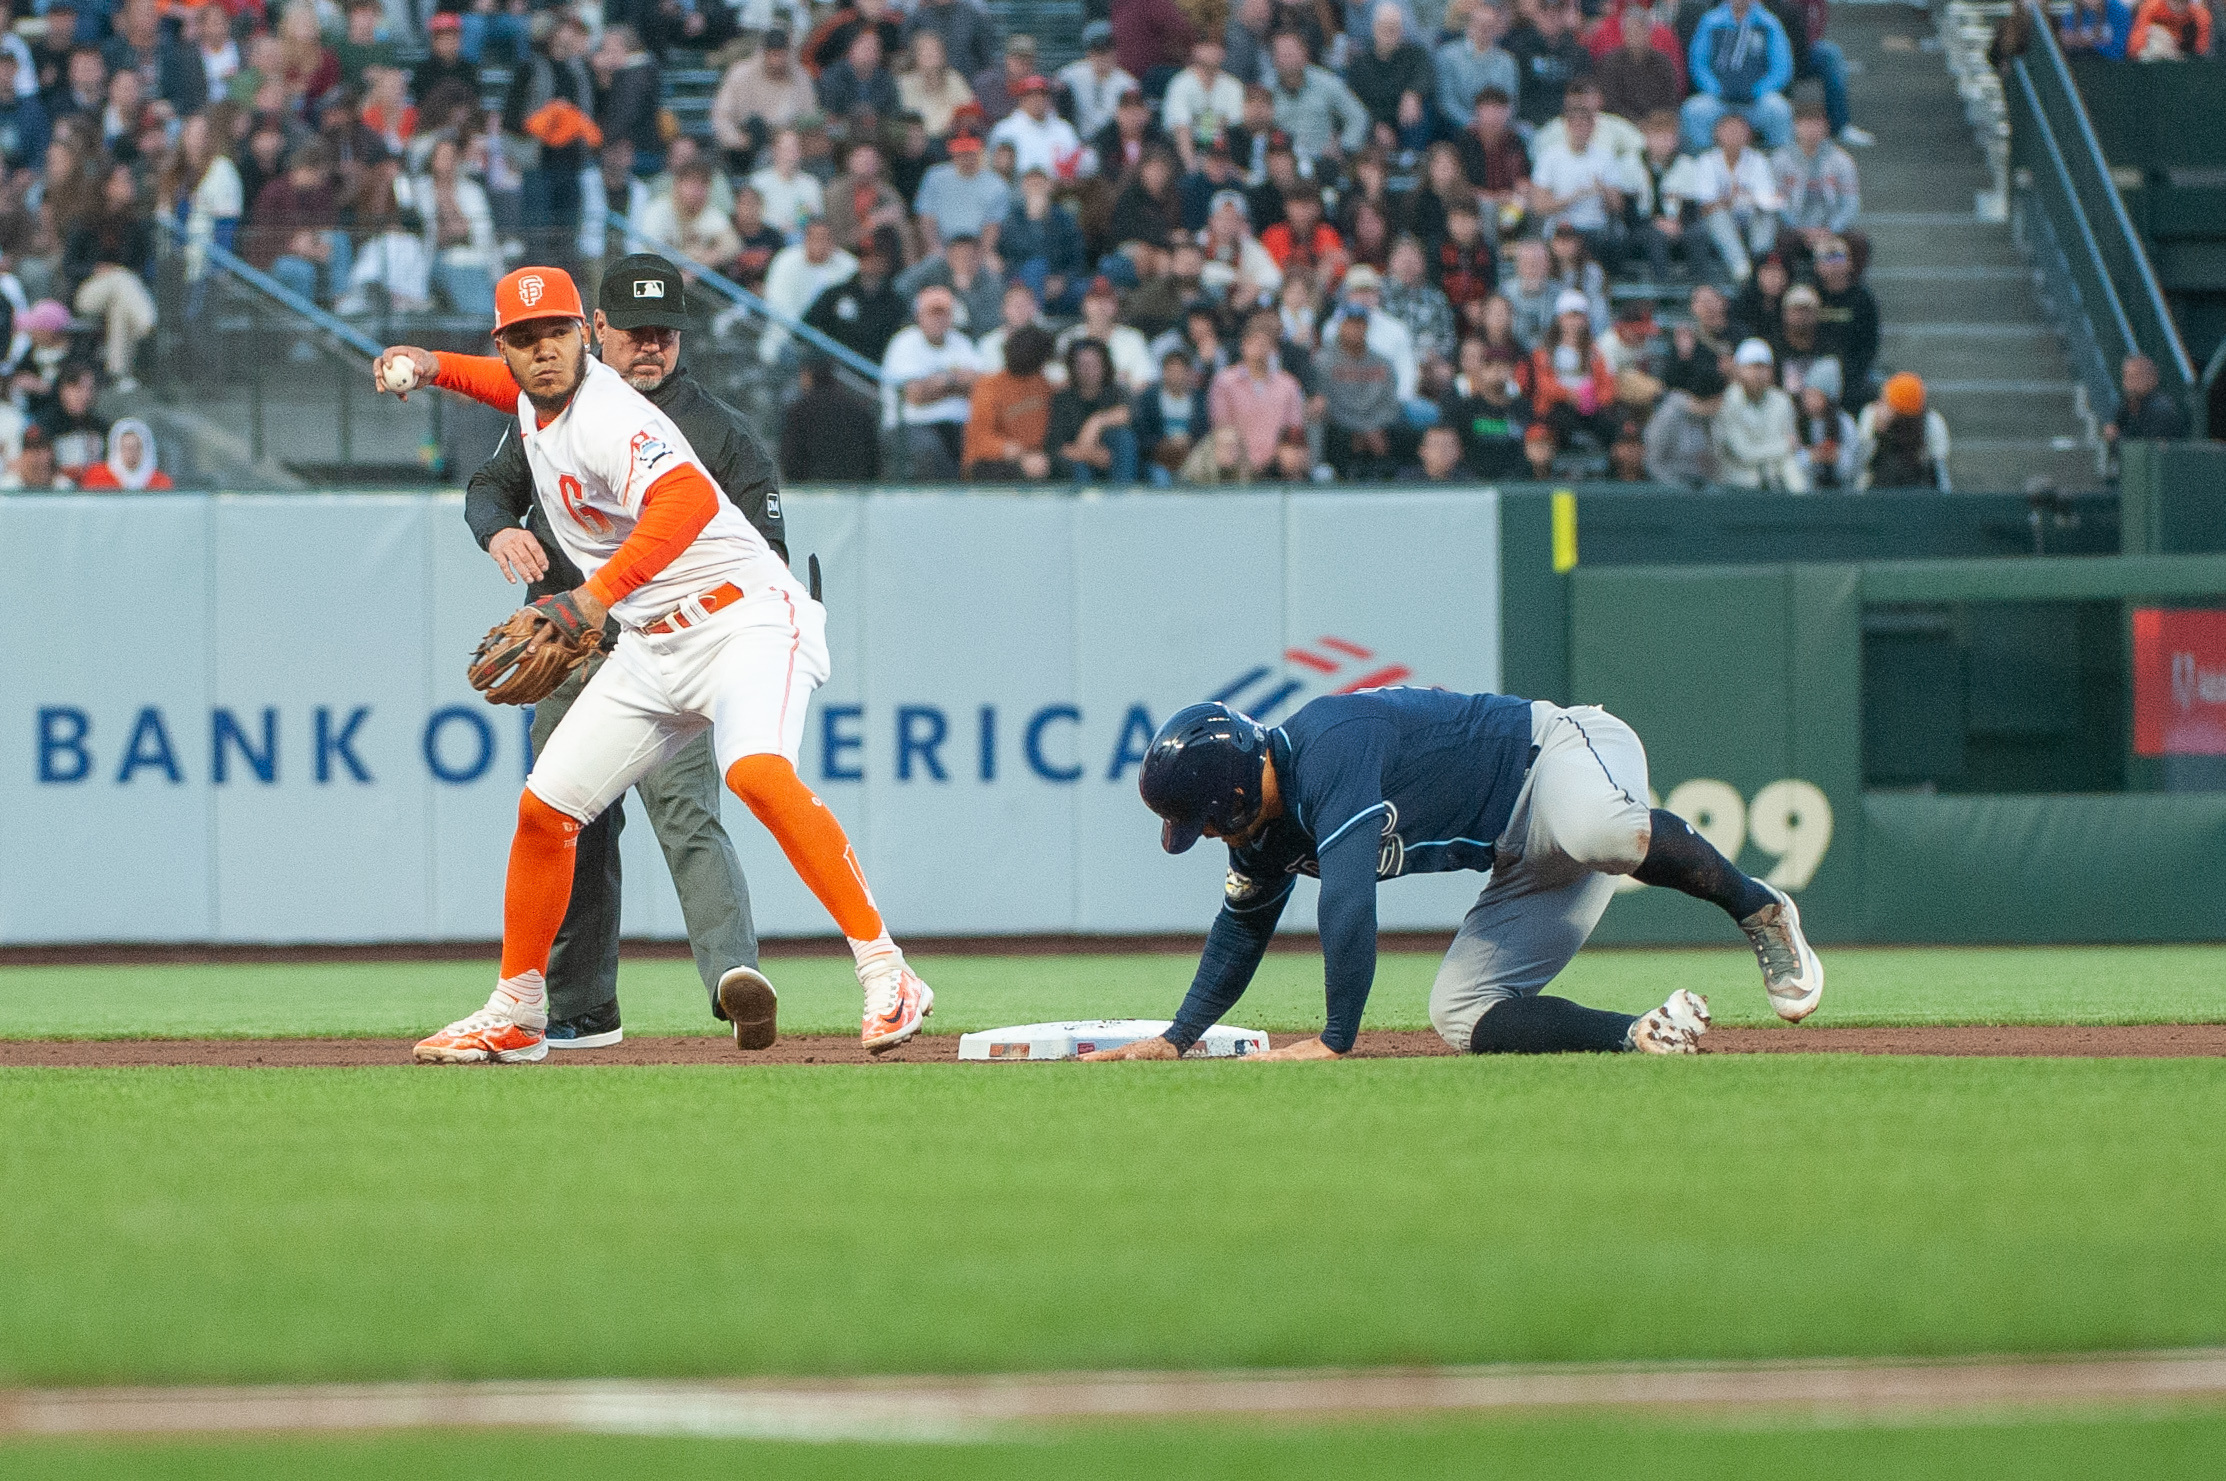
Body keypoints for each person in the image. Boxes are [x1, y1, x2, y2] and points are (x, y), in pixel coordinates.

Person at [378, 266, 934, 1064]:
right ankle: (518, 1008)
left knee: (755, 772)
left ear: (584, 336)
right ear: (507, 346)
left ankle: (888, 970)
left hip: (746, 618)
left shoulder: (610, 414)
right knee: (546, 810)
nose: (542, 353)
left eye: (556, 334)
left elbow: (688, 503)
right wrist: (434, 366)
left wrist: (591, 597)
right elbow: (510, 392)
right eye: (523, 340)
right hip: (654, 643)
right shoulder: (542, 401)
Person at [435, 256, 789, 1048]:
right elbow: (489, 486)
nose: (651, 347)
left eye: (665, 333)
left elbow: (764, 549)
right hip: (567, 648)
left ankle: (735, 979)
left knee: (688, 812)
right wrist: (499, 529)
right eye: (635, 333)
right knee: (568, 824)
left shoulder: (719, 433)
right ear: (599, 331)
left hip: (668, 648)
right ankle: (580, 1007)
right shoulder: (547, 407)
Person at [1084, 694, 1822, 1062]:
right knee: (1462, 1012)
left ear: (1234, 794)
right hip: (1519, 854)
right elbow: (1240, 929)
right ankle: (1640, 1036)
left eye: (1205, 820)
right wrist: (1178, 1038)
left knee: (1603, 831)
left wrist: (1336, 1039)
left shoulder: (1327, 745)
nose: (1209, 835)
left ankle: (1759, 907)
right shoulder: (1260, 829)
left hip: (1559, 754)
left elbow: (1348, 897)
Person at [883, 284, 983, 476]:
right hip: (911, 425)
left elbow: (979, 388)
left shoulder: (961, 342)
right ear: (919, 316)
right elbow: (915, 395)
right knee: (929, 451)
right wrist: (956, 382)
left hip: (958, 424)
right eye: (932, 313)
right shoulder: (905, 342)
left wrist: (940, 383)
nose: (938, 319)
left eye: (944, 313)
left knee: (983, 447)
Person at [1683, 0, 1794, 153]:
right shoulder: (1710, 21)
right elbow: (1698, 64)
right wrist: (1716, 89)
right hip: (1719, 99)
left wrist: (1757, 91)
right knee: (1694, 110)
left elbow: (1781, 69)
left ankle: (1778, 162)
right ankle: (1703, 161)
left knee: (1779, 110)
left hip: (1756, 101)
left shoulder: (1769, 23)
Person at [1691, 110, 1781, 282]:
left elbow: (1767, 198)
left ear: (1748, 134)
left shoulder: (1758, 160)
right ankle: (1741, 268)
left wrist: (1735, 199)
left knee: (1765, 216)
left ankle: (1760, 261)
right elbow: (1706, 203)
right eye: (1729, 130)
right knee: (1717, 216)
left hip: (1750, 214)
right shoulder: (1707, 161)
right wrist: (1736, 198)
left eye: (1739, 130)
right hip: (1719, 218)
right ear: (1718, 133)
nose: (1734, 135)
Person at [1209, 318, 1306, 471]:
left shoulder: (1288, 384)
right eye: (1253, 342)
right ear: (1244, 345)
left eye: (1265, 343)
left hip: (1277, 468)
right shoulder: (1224, 382)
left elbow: (1293, 430)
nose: (1259, 347)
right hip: (1236, 466)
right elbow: (1221, 426)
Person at [962, 322, 1056, 480]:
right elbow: (980, 439)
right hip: (993, 460)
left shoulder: (1042, 384)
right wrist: (1020, 454)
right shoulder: (989, 386)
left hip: (1036, 456)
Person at [712, 29, 815, 169]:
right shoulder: (740, 74)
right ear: (764, 53)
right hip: (746, 146)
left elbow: (809, 118)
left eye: (782, 55)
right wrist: (738, 140)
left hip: (789, 145)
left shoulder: (801, 78)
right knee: (755, 125)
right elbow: (721, 117)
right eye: (773, 54)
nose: (777, 60)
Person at [1714, 337, 1806, 491]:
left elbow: (1793, 449)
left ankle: (1805, 511)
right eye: (1753, 367)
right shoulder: (1729, 402)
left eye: (1764, 367)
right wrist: (1784, 445)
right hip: (1737, 481)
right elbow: (1744, 453)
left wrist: (1785, 448)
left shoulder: (1782, 401)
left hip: (1775, 474)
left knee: (1793, 468)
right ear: (1739, 370)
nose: (1759, 373)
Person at [1266, 31, 1370, 163]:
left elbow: (1358, 116)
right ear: (1273, 59)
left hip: (1323, 161)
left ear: (1305, 54)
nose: (1287, 59)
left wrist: (1343, 147)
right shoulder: (1266, 89)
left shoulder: (1327, 83)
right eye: (1282, 54)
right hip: (1283, 164)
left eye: (1291, 53)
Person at [806, 233, 909, 363]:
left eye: (878, 257)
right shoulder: (835, 294)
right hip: (835, 370)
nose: (871, 262)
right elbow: (806, 326)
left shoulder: (895, 303)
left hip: (874, 372)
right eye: (865, 255)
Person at [1774, 99, 1859, 255]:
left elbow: (1850, 203)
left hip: (1831, 227)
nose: (1811, 130)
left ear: (1826, 127)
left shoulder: (1842, 160)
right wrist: (1801, 229)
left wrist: (1830, 229)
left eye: (1817, 124)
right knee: (1781, 242)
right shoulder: (1780, 159)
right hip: (1794, 228)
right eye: (1805, 124)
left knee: (1859, 242)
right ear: (1795, 126)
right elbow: (1777, 202)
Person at [1346, 0, 1436, 148]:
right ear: (1374, 29)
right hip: (1375, 119)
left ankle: (1412, 160)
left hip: (1404, 116)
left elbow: (1426, 76)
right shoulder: (1360, 63)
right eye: (1384, 28)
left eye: (1394, 28)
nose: (1389, 33)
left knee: (1422, 109)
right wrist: (1375, 124)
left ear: (1402, 31)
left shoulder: (1415, 54)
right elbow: (1354, 101)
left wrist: (1414, 93)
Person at [781, 351, 882, 481]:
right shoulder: (858, 409)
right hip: (856, 492)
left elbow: (791, 461)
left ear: (807, 374)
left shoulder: (798, 412)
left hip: (811, 493)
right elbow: (874, 460)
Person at [999, 164, 1086, 313]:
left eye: (1039, 184)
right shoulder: (1013, 218)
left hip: (1059, 280)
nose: (1035, 189)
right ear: (1023, 188)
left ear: (1049, 186)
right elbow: (1012, 252)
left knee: (1087, 288)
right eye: (1031, 184)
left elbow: (1077, 256)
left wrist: (1063, 280)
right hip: (1022, 280)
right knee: (1036, 266)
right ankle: (1035, 317)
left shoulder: (1064, 218)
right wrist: (1035, 222)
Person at [913, 134, 1011, 257]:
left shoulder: (996, 184)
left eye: (970, 153)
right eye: (961, 154)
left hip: (977, 250)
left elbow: (993, 226)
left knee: (993, 268)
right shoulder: (934, 176)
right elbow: (926, 217)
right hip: (941, 248)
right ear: (953, 154)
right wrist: (934, 247)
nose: (966, 159)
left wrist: (982, 254)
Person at [1503, 0, 1591, 132]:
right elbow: (1516, 93)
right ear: (1536, 13)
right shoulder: (1519, 50)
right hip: (1528, 123)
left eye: (1557, 10)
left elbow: (1581, 93)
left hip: (1565, 125)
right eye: (1545, 9)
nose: (1551, 15)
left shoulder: (1578, 53)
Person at [1162, 36, 1246, 172]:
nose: (1212, 52)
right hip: (1187, 150)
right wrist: (1192, 168)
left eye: (1216, 47)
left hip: (1221, 151)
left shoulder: (1233, 86)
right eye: (1207, 46)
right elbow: (1181, 127)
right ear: (1196, 49)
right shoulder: (1180, 83)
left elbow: (1234, 127)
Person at [1857, 371, 1951, 491]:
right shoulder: (1871, 415)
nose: (1880, 404)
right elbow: (1860, 466)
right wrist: (1878, 432)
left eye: (1886, 400)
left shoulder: (1931, 422)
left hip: (1918, 490)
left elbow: (1939, 470)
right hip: (1877, 490)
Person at [1644, 354, 1727, 487]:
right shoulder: (1668, 416)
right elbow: (1653, 462)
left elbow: (1716, 463)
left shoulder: (1711, 419)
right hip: (1672, 490)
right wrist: (1678, 489)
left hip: (1702, 488)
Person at [1437, 0, 1519, 133]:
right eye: (1480, 24)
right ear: (1469, 24)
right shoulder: (1447, 55)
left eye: (1490, 26)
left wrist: (1494, 123)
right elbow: (1447, 102)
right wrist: (1473, 124)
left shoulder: (1507, 61)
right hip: (1460, 128)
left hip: (1498, 128)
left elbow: (1510, 102)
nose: (1484, 30)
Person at [1134, 345, 1213, 481]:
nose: (1176, 376)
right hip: (1157, 460)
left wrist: (1188, 442)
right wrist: (1165, 444)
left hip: (1191, 457)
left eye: (1181, 371)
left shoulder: (1200, 400)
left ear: (1189, 373)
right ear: (1164, 372)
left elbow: (1205, 433)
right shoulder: (1149, 399)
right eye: (1172, 371)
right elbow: (1142, 435)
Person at [1596, 4, 1681, 123]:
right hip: (1621, 123)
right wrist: (1637, 122)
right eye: (1630, 30)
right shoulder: (1611, 63)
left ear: (1649, 33)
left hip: (1656, 124)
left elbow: (1670, 100)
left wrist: (1654, 121)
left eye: (1640, 29)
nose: (1635, 35)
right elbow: (1611, 103)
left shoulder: (1663, 63)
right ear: (1623, 34)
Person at [987, 73, 1083, 179]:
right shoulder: (1005, 129)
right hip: (1020, 189)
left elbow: (1078, 161)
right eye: (1031, 95)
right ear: (1021, 99)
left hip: (1061, 189)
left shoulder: (1064, 128)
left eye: (1042, 95)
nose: (1037, 100)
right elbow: (997, 170)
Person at [1059, 21, 1138, 141]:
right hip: (1079, 140)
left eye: (1106, 51)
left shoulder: (1127, 83)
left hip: (1112, 143)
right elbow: (1053, 85)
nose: (1102, 57)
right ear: (1089, 53)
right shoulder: (1073, 73)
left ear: (1114, 52)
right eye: (1097, 51)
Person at [1792, 357, 1859, 490]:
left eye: (1816, 396)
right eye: (1807, 395)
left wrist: (1836, 457)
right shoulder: (1796, 421)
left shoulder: (1845, 423)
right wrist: (1811, 456)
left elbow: (1853, 466)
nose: (1809, 401)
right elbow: (1791, 463)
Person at [900, 31, 977, 139]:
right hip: (917, 142)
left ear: (943, 55)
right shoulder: (904, 83)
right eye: (924, 50)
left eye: (934, 49)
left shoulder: (954, 79)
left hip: (950, 138)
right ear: (915, 56)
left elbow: (968, 110)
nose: (929, 54)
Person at [2105, 353, 2190, 446]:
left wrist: (2117, 438)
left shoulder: (2161, 409)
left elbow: (2150, 449)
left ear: (2151, 379)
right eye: (2126, 376)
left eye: (2135, 377)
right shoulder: (2127, 405)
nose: (2128, 383)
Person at [74, 415, 171, 489]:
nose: (131, 453)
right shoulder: (96, 476)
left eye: (137, 447)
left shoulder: (160, 481)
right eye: (125, 447)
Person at [2127, 0, 2213, 57]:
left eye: (2182, 2)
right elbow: (2134, 47)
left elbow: (2202, 51)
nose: (2178, 5)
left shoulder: (2200, 16)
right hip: (2152, 64)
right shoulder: (2152, 7)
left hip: (2183, 63)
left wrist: (2176, 54)